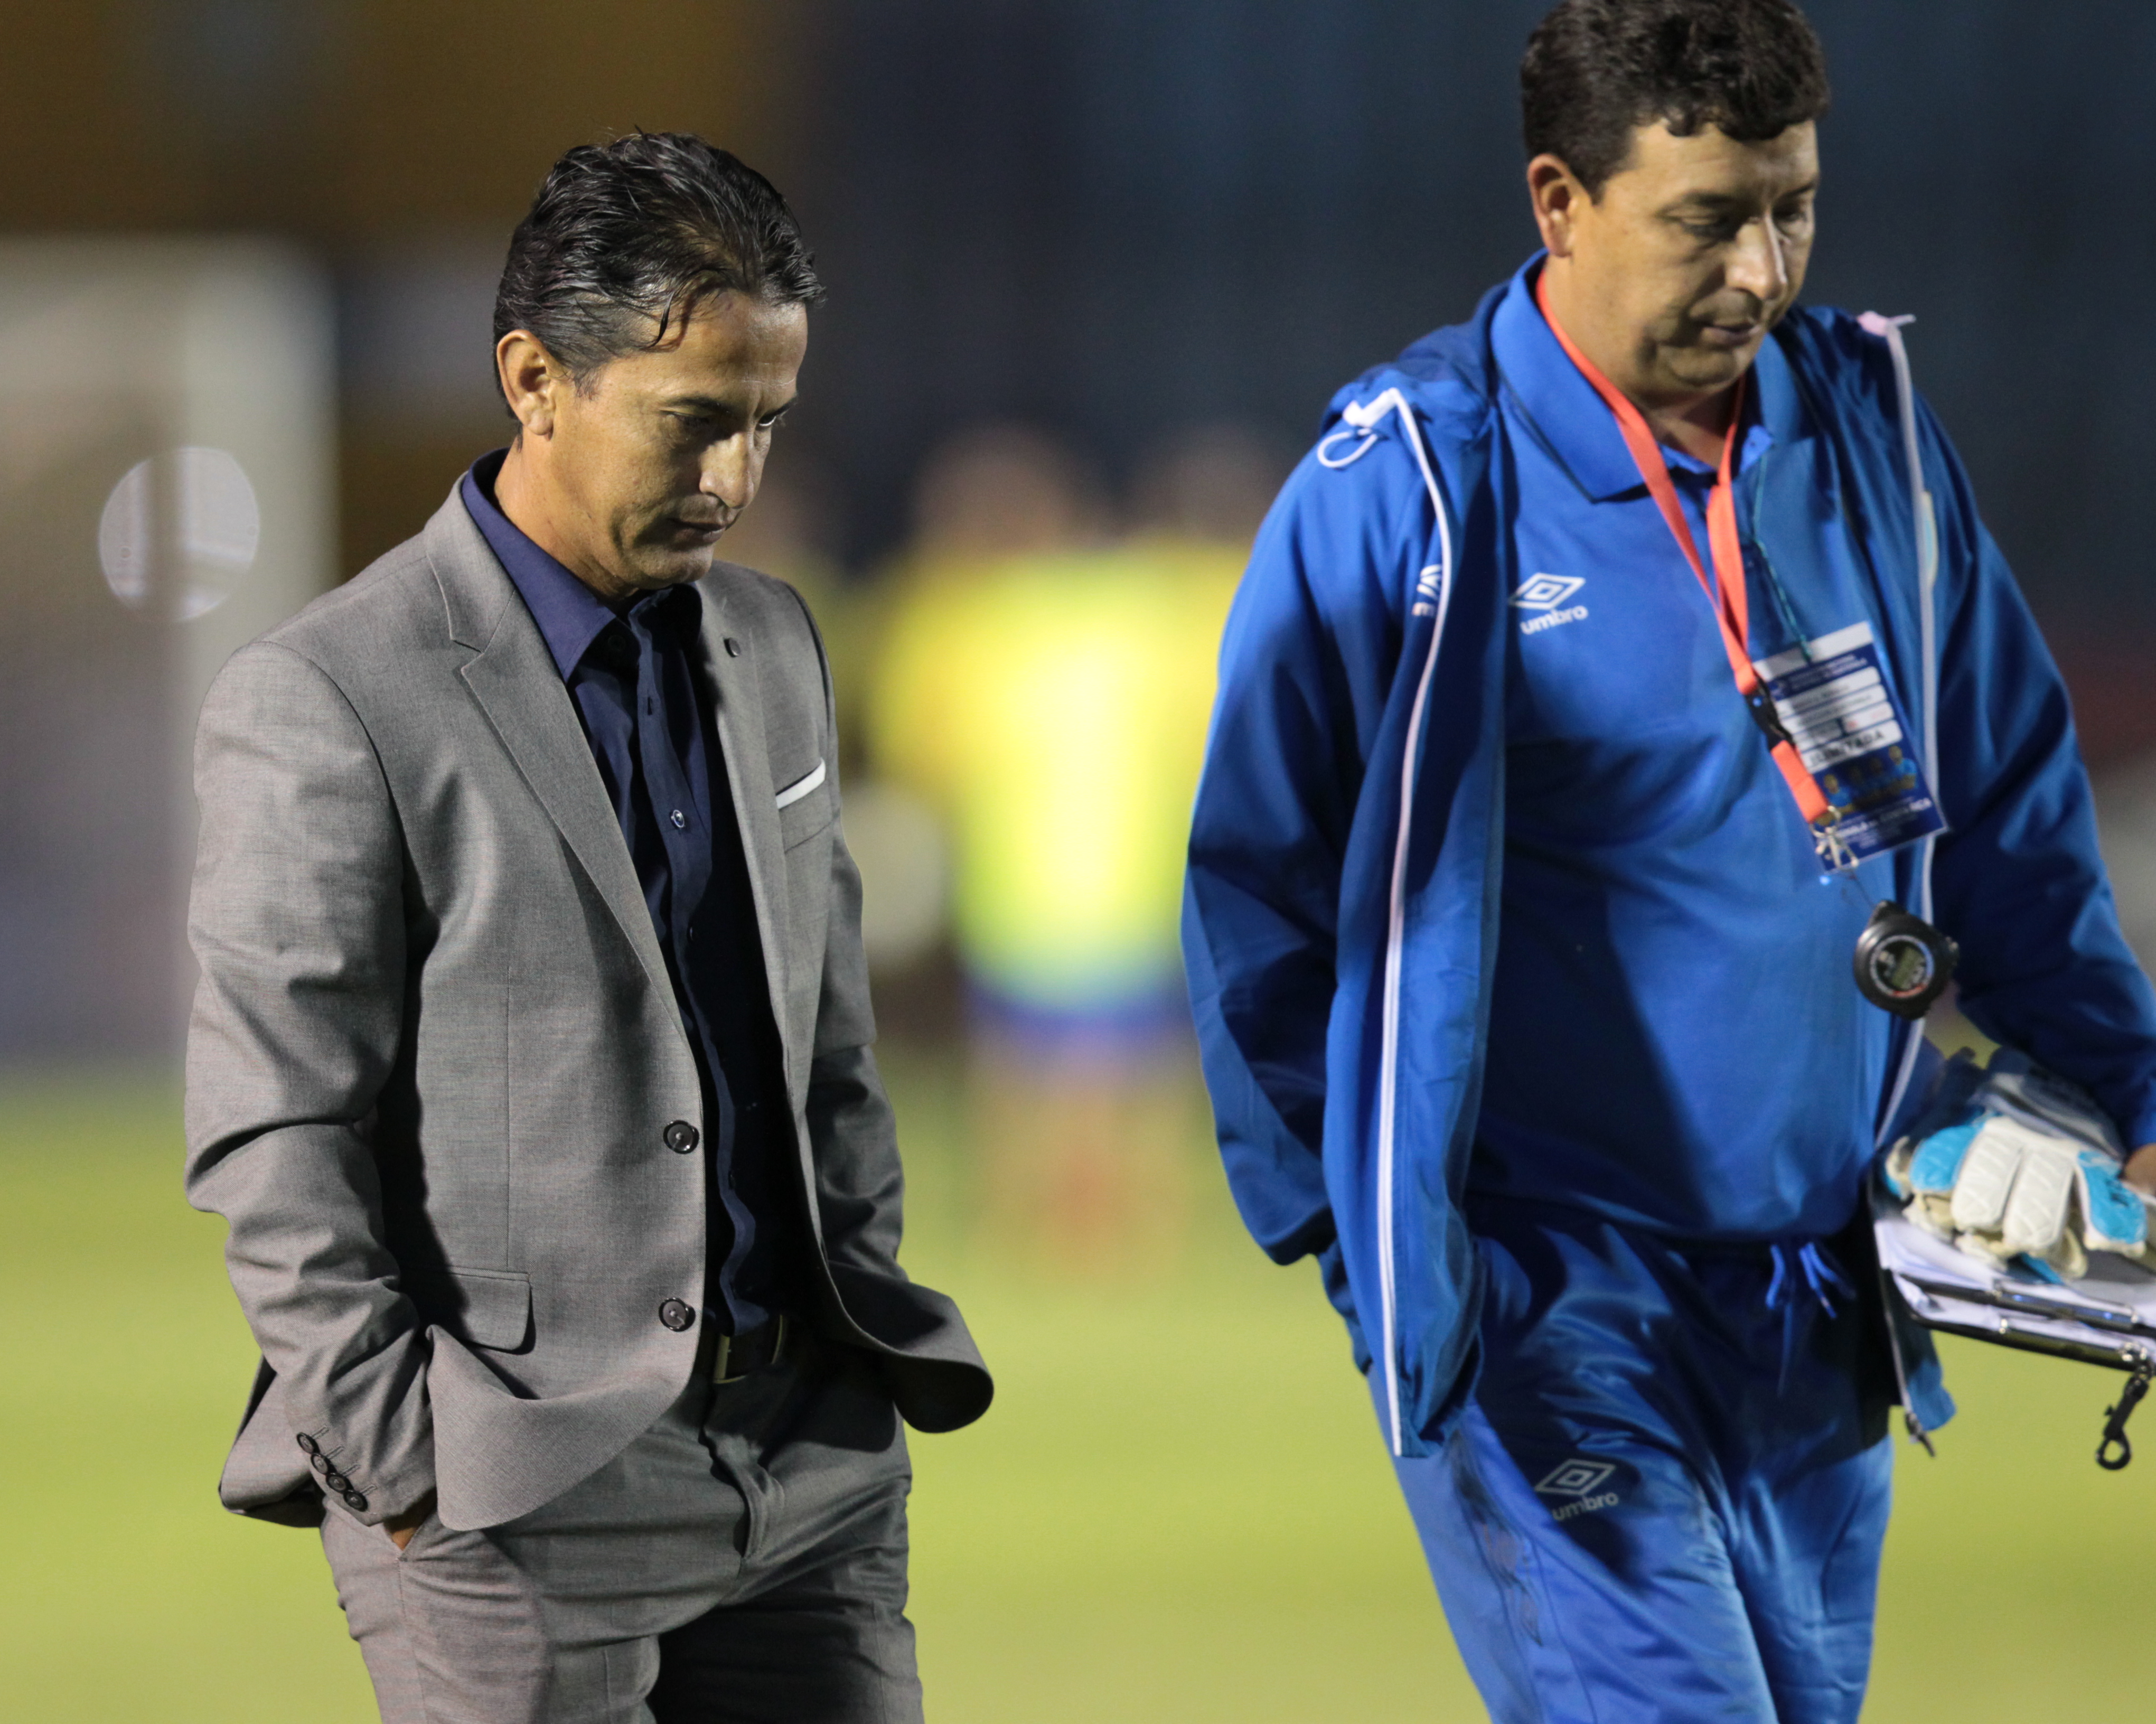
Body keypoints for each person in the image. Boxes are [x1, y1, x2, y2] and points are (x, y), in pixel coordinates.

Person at [1184, 3, 2156, 1719]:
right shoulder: (1405, 481)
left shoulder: (1866, 431)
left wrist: (2127, 1092)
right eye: (1706, 217)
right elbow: (1252, 889)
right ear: (1557, 200)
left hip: (1814, 1301)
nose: (1760, 266)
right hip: (1547, 1304)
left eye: (1792, 206)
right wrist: (1373, 1247)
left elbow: (2002, 817)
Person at [183, 131, 989, 1723]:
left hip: (810, 1477)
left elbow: (826, 1039)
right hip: (515, 1500)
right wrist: (409, 1469)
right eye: (695, 423)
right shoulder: (333, 695)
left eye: (767, 424)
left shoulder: (772, 642)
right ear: (536, 377)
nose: (737, 480)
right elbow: (273, 1134)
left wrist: (856, 1290)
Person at [870, 426, 1238, 1266]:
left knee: (1025, 1054)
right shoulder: (1158, 605)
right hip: (1129, 871)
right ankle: (1129, 1213)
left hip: (1023, 876)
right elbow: (1214, 726)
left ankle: (1035, 1210)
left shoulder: (963, 619)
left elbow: (919, 748)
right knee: (1130, 1054)